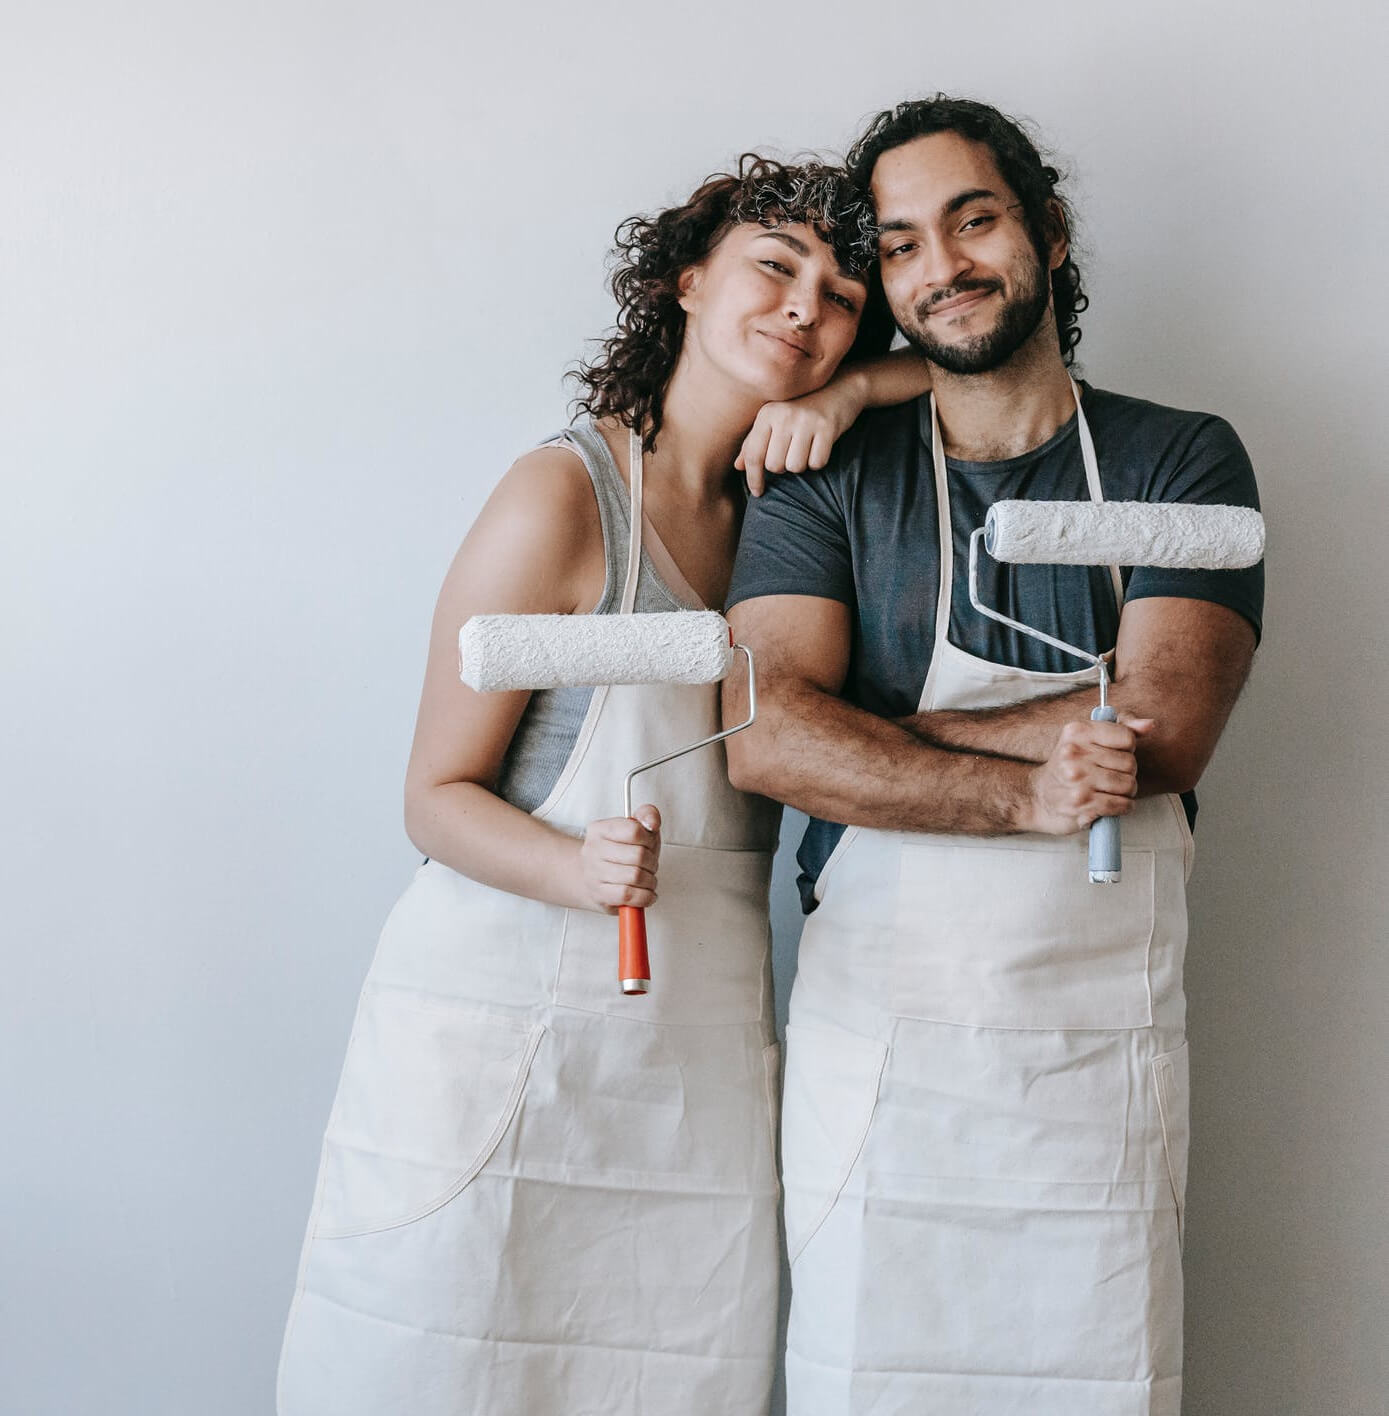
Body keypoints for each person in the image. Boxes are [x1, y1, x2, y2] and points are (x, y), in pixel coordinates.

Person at [276, 155, 923, 1416]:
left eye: (844, 296)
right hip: (492, 1024)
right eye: (775, 268)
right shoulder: (564, 497)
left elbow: (967, 374)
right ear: (686, 282)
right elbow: (433, 794)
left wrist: (855, 400)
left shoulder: (794, 518)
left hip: (693, 1052)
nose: (806, 307)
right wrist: (573, 869)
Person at [723, 97, 1263, 1415]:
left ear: (1046, 234)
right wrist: (1027, 778)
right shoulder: (828, 473)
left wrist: (878, 734)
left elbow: (1164, 732)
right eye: (901, 245)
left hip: (1094, 1057)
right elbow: (763, 735)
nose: (942, 266)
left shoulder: (1178, 458)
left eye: (972, 220)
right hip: (880, 1044)